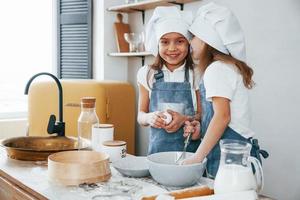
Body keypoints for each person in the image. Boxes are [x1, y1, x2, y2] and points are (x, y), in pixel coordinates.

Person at [182, 2, 268, 178]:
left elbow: (222, 117)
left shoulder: (217, 69)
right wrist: (202, 127)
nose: (190, 42)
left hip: (228, 159)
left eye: (194, 37)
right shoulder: (227, 67)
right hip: (240, 155)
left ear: (207, 41)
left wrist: (198, 156)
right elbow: (225, 117)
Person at [137, 6, 202, 155]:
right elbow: (141, 115)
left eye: (179, 41)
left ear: (188, 43)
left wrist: (185, 119)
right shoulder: (147, 73)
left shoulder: (197, 73)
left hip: (190, 153)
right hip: (157, 153)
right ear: (157, 44)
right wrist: (150, 117)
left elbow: (202, 115)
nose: (172, 48)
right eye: (165, 42)